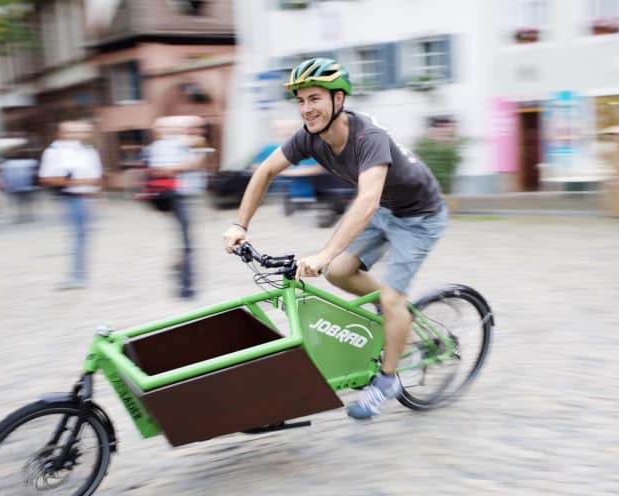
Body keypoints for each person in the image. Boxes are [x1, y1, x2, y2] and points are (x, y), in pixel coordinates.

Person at [222, 58, 448, 420]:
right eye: (300, 101)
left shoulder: (367, 138)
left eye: (315, 98)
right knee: (339, 272)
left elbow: (368, 199)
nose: (306, 108)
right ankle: (390, 314)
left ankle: (388, 379)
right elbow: (265, 171)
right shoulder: (310, 138)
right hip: (385, 210)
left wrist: (324, 252)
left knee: (389, 296)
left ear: (338, 100)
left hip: (419, 217)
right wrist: (240, 225)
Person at [38, 121, 103, 290]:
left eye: (81, 131)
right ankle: (77, 276)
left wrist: (95, 197)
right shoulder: (54, 152)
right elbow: (46, 178)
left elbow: (97, 178)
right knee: (77, 238)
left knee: (83, 238)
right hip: (71, 198)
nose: (78, 135)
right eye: (73, 132)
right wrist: (77, 181)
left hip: (87, 198)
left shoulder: (88, 151)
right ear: (62, 133)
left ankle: (80, 275)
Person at [146, 116, 204, 299]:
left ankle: (179, 269)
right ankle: (186, 287)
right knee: (187, 243)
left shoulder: (184, 142)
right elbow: (162, 170)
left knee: (186, 241)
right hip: (176, 197)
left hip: (187, 196)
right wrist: (186, 165)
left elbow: (200, 158)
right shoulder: (159, 147)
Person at [0, 146, 38, 223]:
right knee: (27, 201)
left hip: (13, 186)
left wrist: (4, 186)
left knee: (17, 202)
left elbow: (4, 176)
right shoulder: (29, 162)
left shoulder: (6, 164)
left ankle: (19, 216)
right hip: (26, 185)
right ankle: (29, 215)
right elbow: (35, 173)